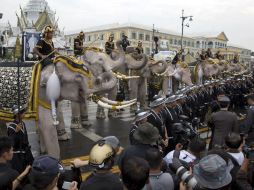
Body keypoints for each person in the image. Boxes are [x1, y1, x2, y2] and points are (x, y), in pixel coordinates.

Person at [7, 105, 34, 173]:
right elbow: (12, 143)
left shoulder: (23, 124)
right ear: (17, 115)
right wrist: (16, 132)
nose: (24, 114)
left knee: (31, 170)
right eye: (22, 113)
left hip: (27, 153)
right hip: (19, 156)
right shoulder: (11, 127)